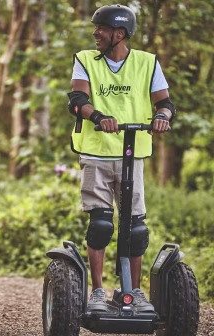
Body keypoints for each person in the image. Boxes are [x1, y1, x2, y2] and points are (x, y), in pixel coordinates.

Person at [67, 4, 175, 312]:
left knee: (135, 226)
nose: (95, 33)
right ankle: (99, 291)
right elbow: (77, 100)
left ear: (119, 33)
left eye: (100, 29)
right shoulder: (85, 59)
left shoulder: (147, 62)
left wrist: (162, 117)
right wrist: (98, 116)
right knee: (100, 224)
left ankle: (133, 291)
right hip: (97, 152)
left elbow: (165, 102)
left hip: (132, 154)